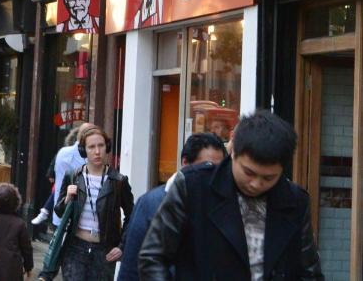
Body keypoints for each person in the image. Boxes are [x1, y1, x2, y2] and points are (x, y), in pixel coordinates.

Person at [139, 110, 324, 280]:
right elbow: (153, 257)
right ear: (233, 152)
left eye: (269, 178)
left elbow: (309, 272)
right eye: (249, 172)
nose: (256, 184)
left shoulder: (295, 201)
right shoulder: (193, 186)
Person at [117, 133, 226, 281]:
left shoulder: (224, 204)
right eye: (207, 167)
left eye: (218, 169)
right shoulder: (151, 203)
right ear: (185, 163)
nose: (212, 175)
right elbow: (131, 268)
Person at [55, 125, 134, 281]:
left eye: (101, 146)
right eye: (91, 147)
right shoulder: (73, 176)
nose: (97, 151)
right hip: (75, 249)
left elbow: (132, 216)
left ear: (107, 147)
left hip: (104, 252)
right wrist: (68, 199)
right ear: (84, 150)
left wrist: (122, 246)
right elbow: (59, 211)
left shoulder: (118, 181)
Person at [37, 124, 95, 281]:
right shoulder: (78, 159)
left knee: (60, 253)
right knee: (69, 260)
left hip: (60, 214)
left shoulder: (62, 152)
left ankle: (47, 274)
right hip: (72, 217)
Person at [0, 182, 33, 280]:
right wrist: (28, 267)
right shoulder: (19, 224)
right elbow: (27, 249)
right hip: (13, 271)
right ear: (16, 201)